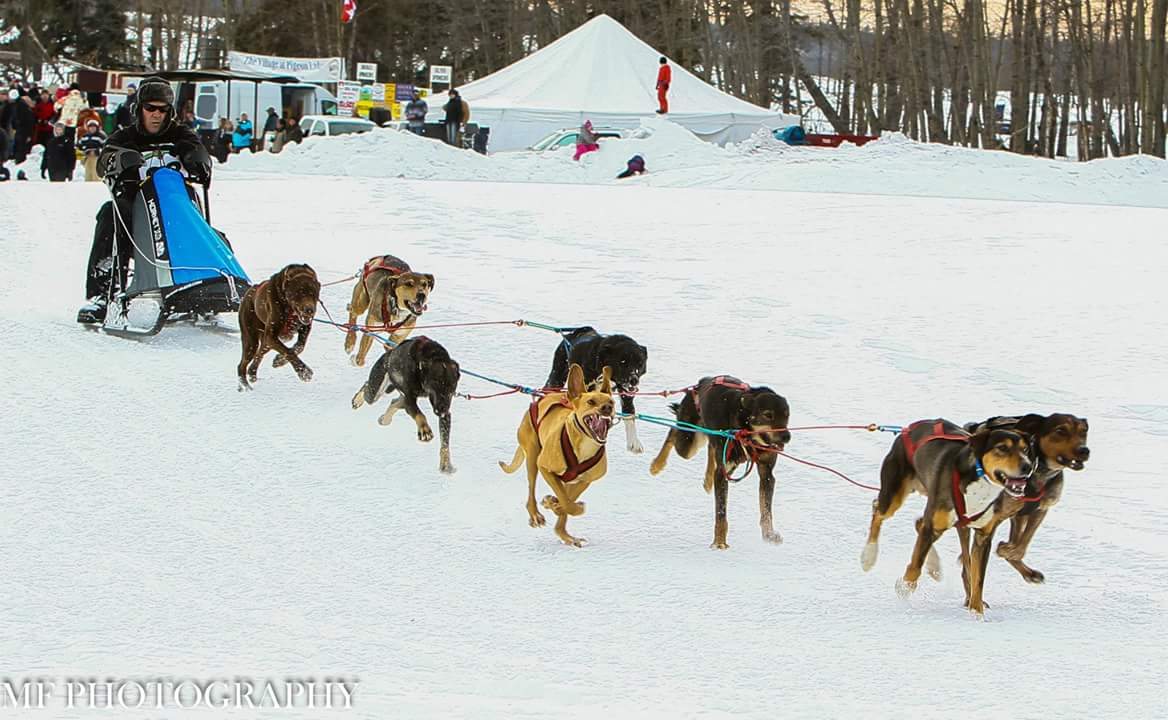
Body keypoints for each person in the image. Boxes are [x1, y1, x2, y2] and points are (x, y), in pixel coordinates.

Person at [76, 76, 211, 324]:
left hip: (176, 207)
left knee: (209, 230)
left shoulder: (181, 134)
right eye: (151, 108)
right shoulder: (124, 136)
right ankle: (102, 294)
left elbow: (197, 150)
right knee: (109, 214)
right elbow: (105, 162)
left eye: (162, 109)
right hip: (137, 207)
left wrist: (197, 158)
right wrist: (122, 160)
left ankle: (214, 285)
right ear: (140, 109)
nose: (156, 115)